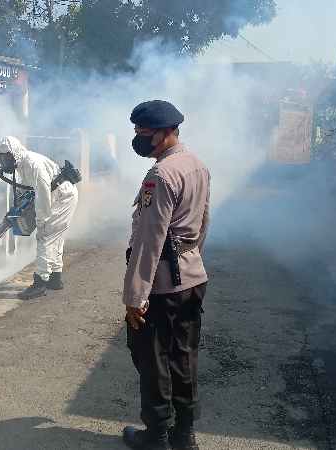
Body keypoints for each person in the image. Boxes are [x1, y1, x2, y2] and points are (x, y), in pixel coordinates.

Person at [121, 101, 211, 450]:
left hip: (161, 286)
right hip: (192, 278)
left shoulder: (161, 175)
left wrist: (135, 298)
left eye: (144, 132)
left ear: (167, 132)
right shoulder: (197, 165)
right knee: (184, 356)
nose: (139, 138)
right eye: (137, 131)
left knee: (153, 357)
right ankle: (184, 435)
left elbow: (148, 240)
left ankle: (156, 437)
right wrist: (192, 261)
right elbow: (203, 222)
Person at [0, 136, 79, 299]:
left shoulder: (33, 164)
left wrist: (41, 219)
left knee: (45, 236)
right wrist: (15, 211)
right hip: (58, 196)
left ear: (14, 153)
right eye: (1, 158)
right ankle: (55, 278)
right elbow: (24, 190)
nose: (4, 162)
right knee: (55, 237)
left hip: (63, 197)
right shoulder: (21, 164)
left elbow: (42, 194)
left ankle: (40, 282)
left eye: (6, 157)